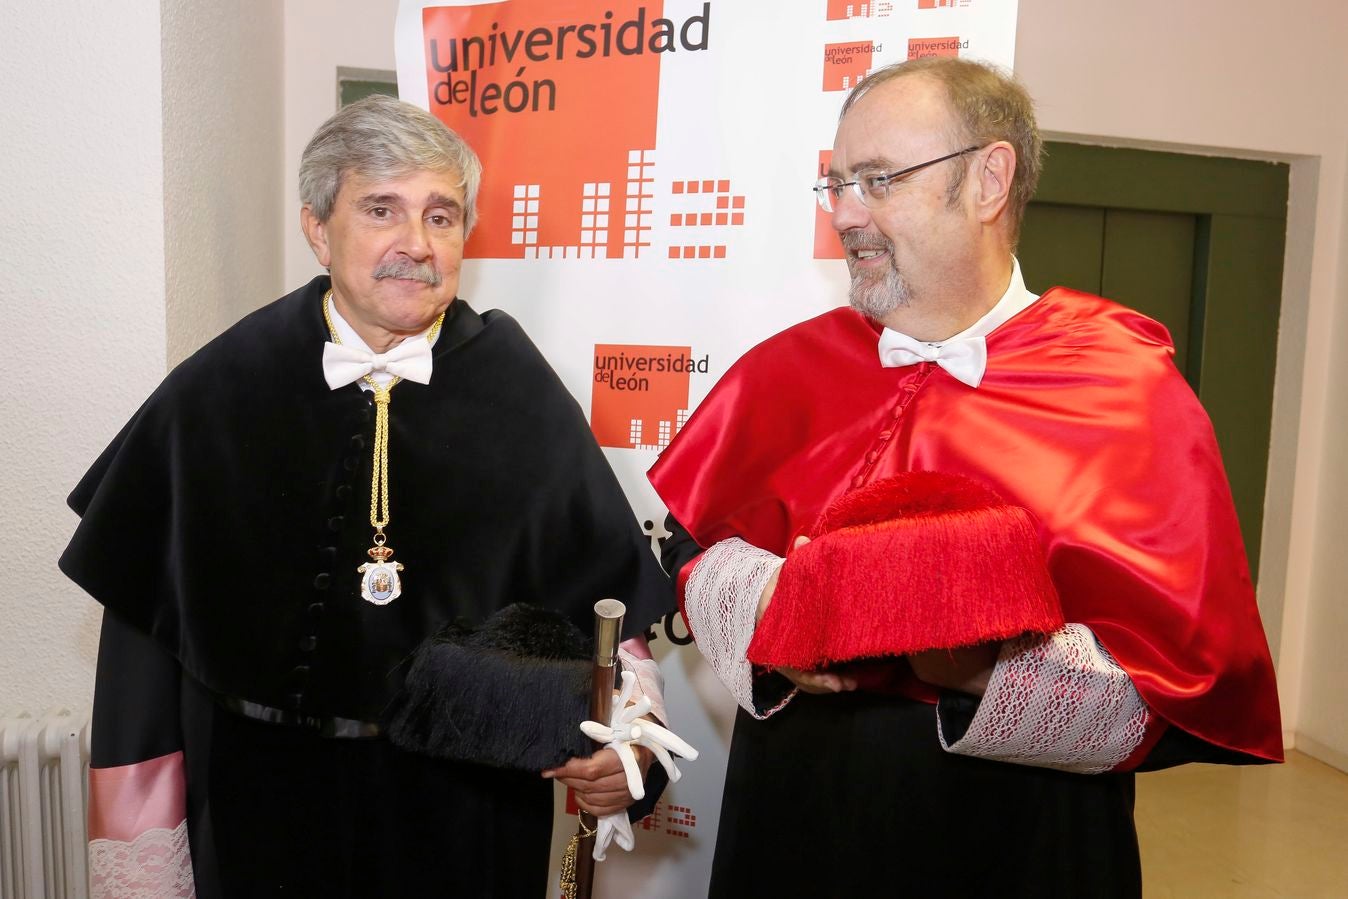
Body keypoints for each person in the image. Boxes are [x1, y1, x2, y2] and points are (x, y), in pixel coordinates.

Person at [648, 57, 1283, 898]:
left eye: (878, 181)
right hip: (797, 823)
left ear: (990, 179)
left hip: (1013, 841)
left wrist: (986, 676)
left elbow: (1183, 675)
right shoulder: (790, 368)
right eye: (836, 184)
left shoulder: (1124, 391)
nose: (844, 215)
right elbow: (686, 542)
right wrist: (769, 614)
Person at [61, 94, 674, 898]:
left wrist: (629, 751)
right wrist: (143, 858)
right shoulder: (216, 391)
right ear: (318, 227)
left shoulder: (520, 392)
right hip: (261, 820)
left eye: (442, 216)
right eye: (381, 209)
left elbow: (609, 616)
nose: (415, 245)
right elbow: (142, 650)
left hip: (468, 824)